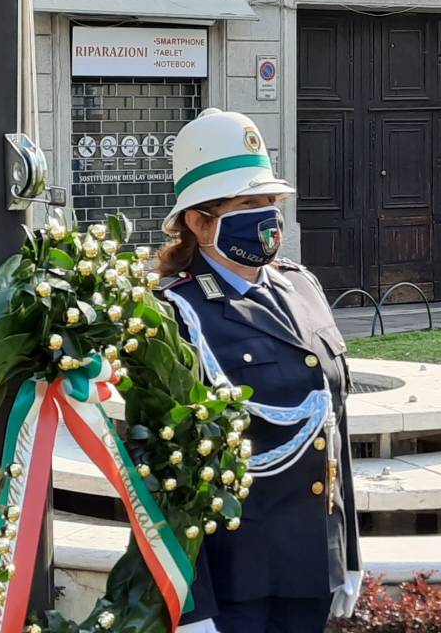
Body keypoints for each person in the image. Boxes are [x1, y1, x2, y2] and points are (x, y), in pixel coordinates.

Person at [158, 109, 362, 633]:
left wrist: (347, 554)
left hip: (310, 566)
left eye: (271, 201)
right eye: (249, 204)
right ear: (199, 220)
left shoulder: (303, 286)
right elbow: (166, 471)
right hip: (237, 580)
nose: (268, 216)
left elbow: (331, 429)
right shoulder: (176, 313)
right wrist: (192, 604)